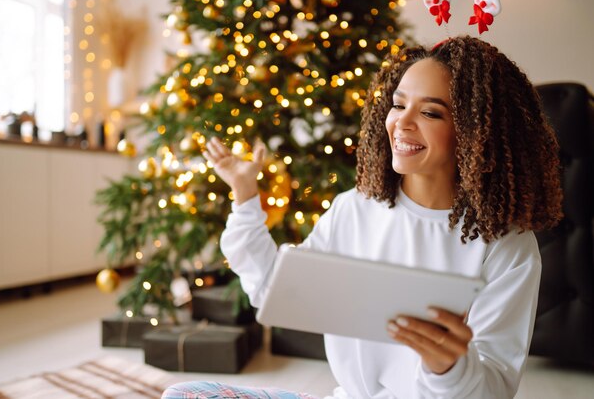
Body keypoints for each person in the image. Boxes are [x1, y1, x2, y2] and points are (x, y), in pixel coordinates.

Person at [162, 36, 563, 398]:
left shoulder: (508, 246)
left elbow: (493, 387)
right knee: (183, 395)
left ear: (476, 134)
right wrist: (245, 195)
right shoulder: (354, 209)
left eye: (431, 113)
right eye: (399, 104)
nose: (402, 123)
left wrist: (449, 368)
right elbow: (274, 290)